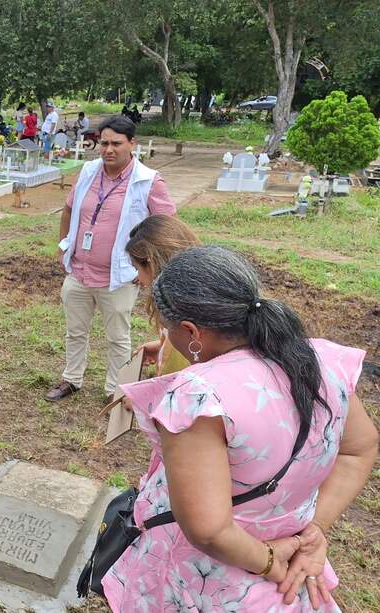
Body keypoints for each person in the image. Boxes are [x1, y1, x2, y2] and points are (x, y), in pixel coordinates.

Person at [104, 246, 378, 612]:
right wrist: (315, 528)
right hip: (289, 583)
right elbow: (358, 448)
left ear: (190, 331)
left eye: (169, 330)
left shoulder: (199, 398)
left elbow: (210, 530)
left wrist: (268, 560)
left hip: (208, 582)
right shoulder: (323, 360)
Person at [46, 115, 176, 403]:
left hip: (118, 277)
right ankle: (72, 379)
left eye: (116, 143)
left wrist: (147, 266)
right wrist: (63, 244)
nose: (108, 150)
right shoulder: (89, 171)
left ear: (132, 144)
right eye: (103, 143)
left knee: (118, 337)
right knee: (75, 331)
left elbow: (167, 226)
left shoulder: (148, 182)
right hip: (79, 272)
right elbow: (69, 209)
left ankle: (115, 390)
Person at [124, 215, 200, 375]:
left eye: (137, 268)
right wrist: (163, 345)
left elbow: (174, 384)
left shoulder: (179, 316)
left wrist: (142, 398)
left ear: (151, 264)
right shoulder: (196, 295)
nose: (138, 277)